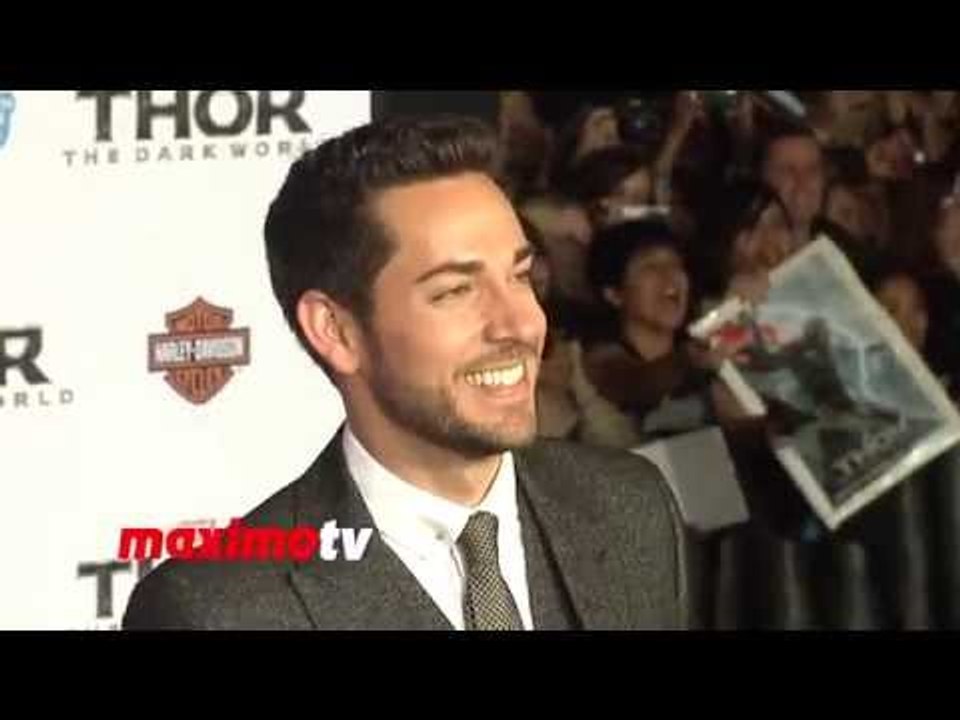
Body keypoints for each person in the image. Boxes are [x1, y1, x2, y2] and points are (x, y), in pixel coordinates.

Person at [123, 115, 690, 631]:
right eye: (456, 291)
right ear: (335, 331)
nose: (521, 322)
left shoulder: (630, 506)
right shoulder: (216, 610)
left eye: (521, 277)